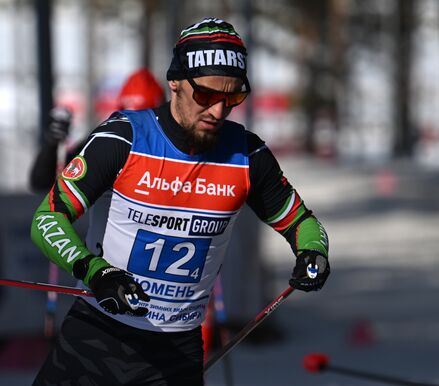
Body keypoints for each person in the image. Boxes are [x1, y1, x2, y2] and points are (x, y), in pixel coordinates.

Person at [30, 17, 330, 386]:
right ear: (175, 82)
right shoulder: (123, 139)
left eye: (232, 97)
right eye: (206, 95)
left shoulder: (248, 155)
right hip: (96, 338)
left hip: (176, 352)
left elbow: (301, 223)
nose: (218, 111)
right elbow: (47, 219)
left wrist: (313, 251)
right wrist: (94, 271)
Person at [29, 67, 165, 192]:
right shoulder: (107, 144)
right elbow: (42, 183)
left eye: (143, 118)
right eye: (129, 117)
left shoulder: (174, 149)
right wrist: (52, 146)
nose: (136, 126)